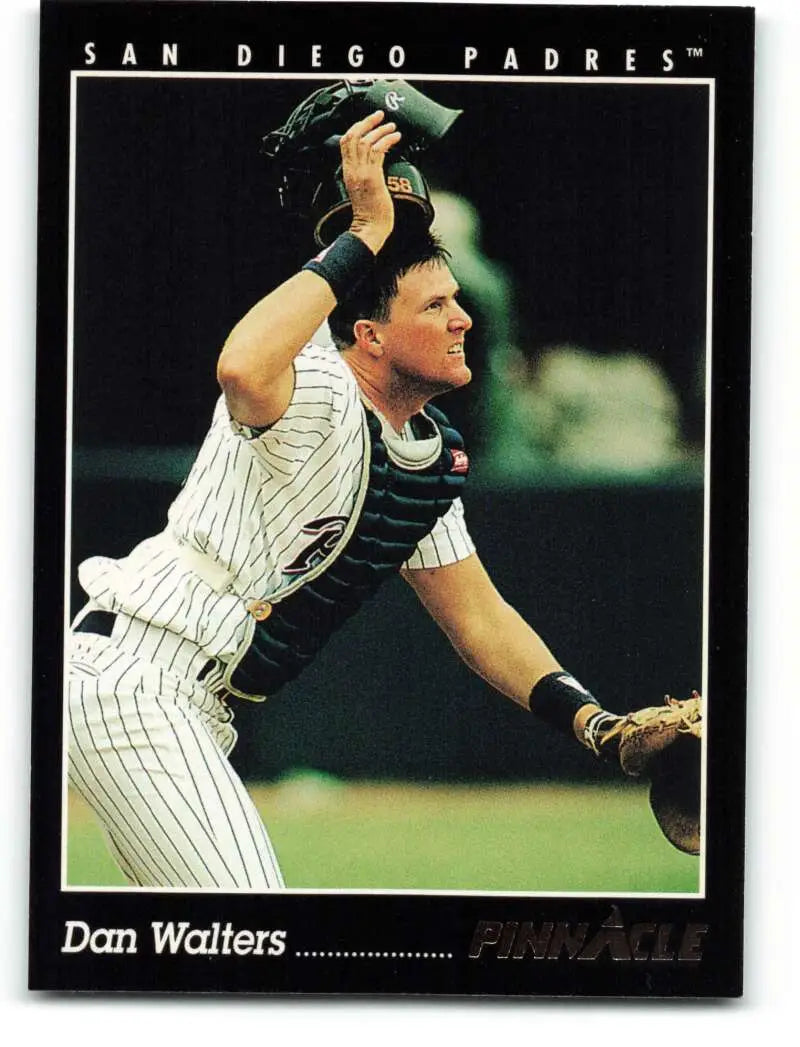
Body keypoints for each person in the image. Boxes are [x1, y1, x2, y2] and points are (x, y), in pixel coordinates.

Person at [67, 111, 627, 889]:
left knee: (198, 959)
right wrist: (364, 233)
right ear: (369, 336)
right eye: (435, 307)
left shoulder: (426, 457)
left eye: (456, 299)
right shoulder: (320, 383)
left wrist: (593, 723)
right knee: (251, 937)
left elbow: (480, 619)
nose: (463, 317)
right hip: (138, 671)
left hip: (192, 702)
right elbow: (240, 366)